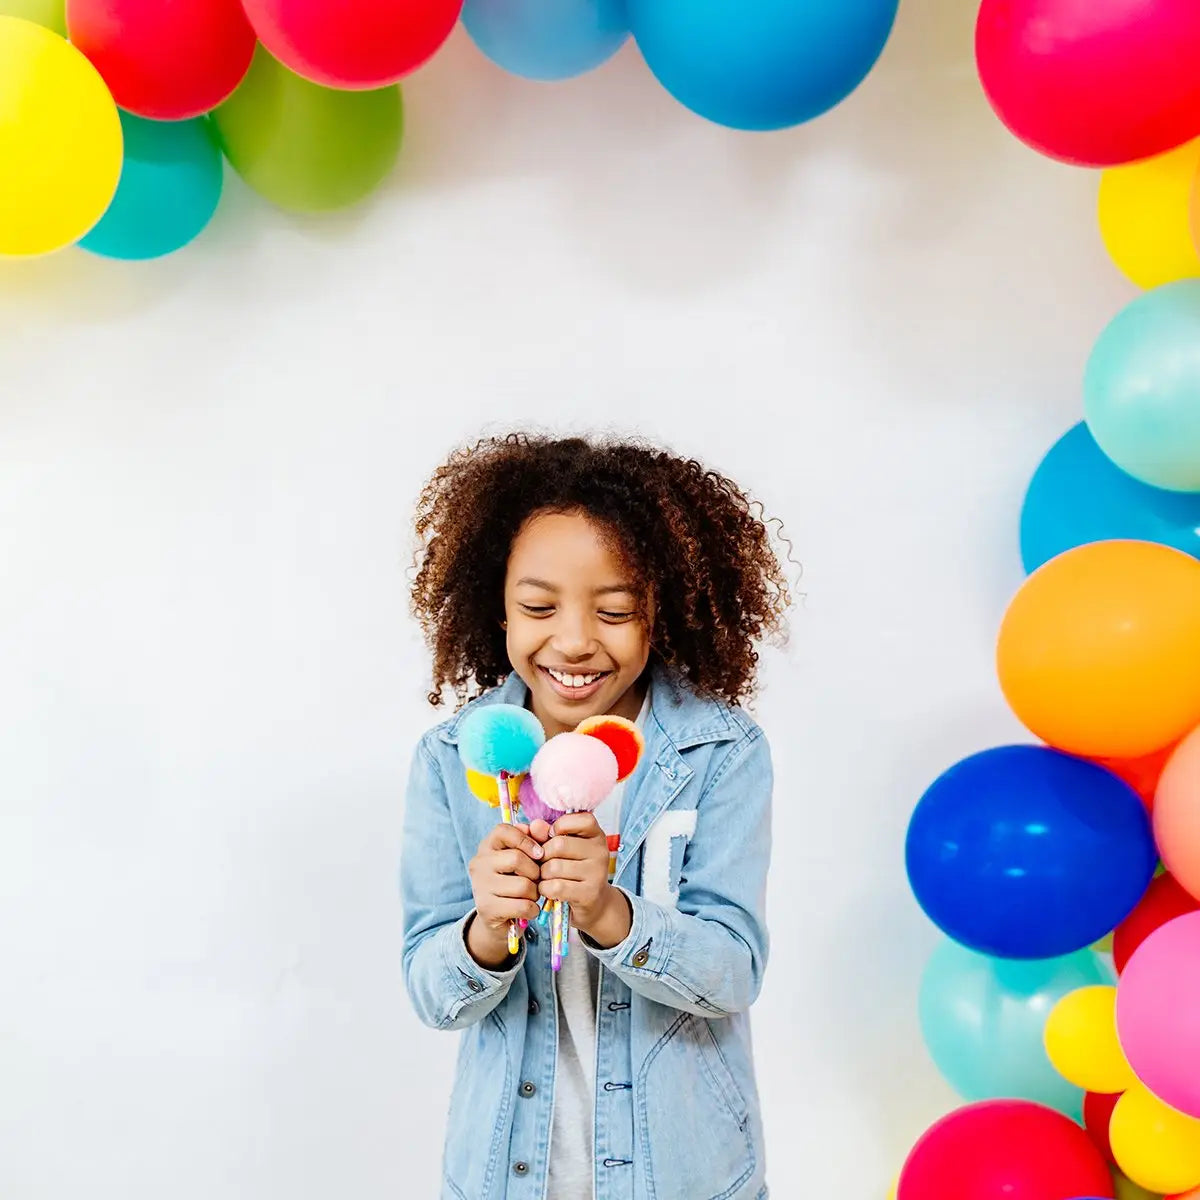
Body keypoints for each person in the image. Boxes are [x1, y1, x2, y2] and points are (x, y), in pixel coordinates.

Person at [400, 432, 790, 1200]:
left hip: (684, 1176)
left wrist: (611, 911)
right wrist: (484, 932)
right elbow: (430, 991)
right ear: (497, 606)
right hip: (506, 1175)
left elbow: (735, 972)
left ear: (662, 611)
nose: (574, 640)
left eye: (615, 610)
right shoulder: (452, 756)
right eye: (538, 606)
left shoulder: (719, 752)